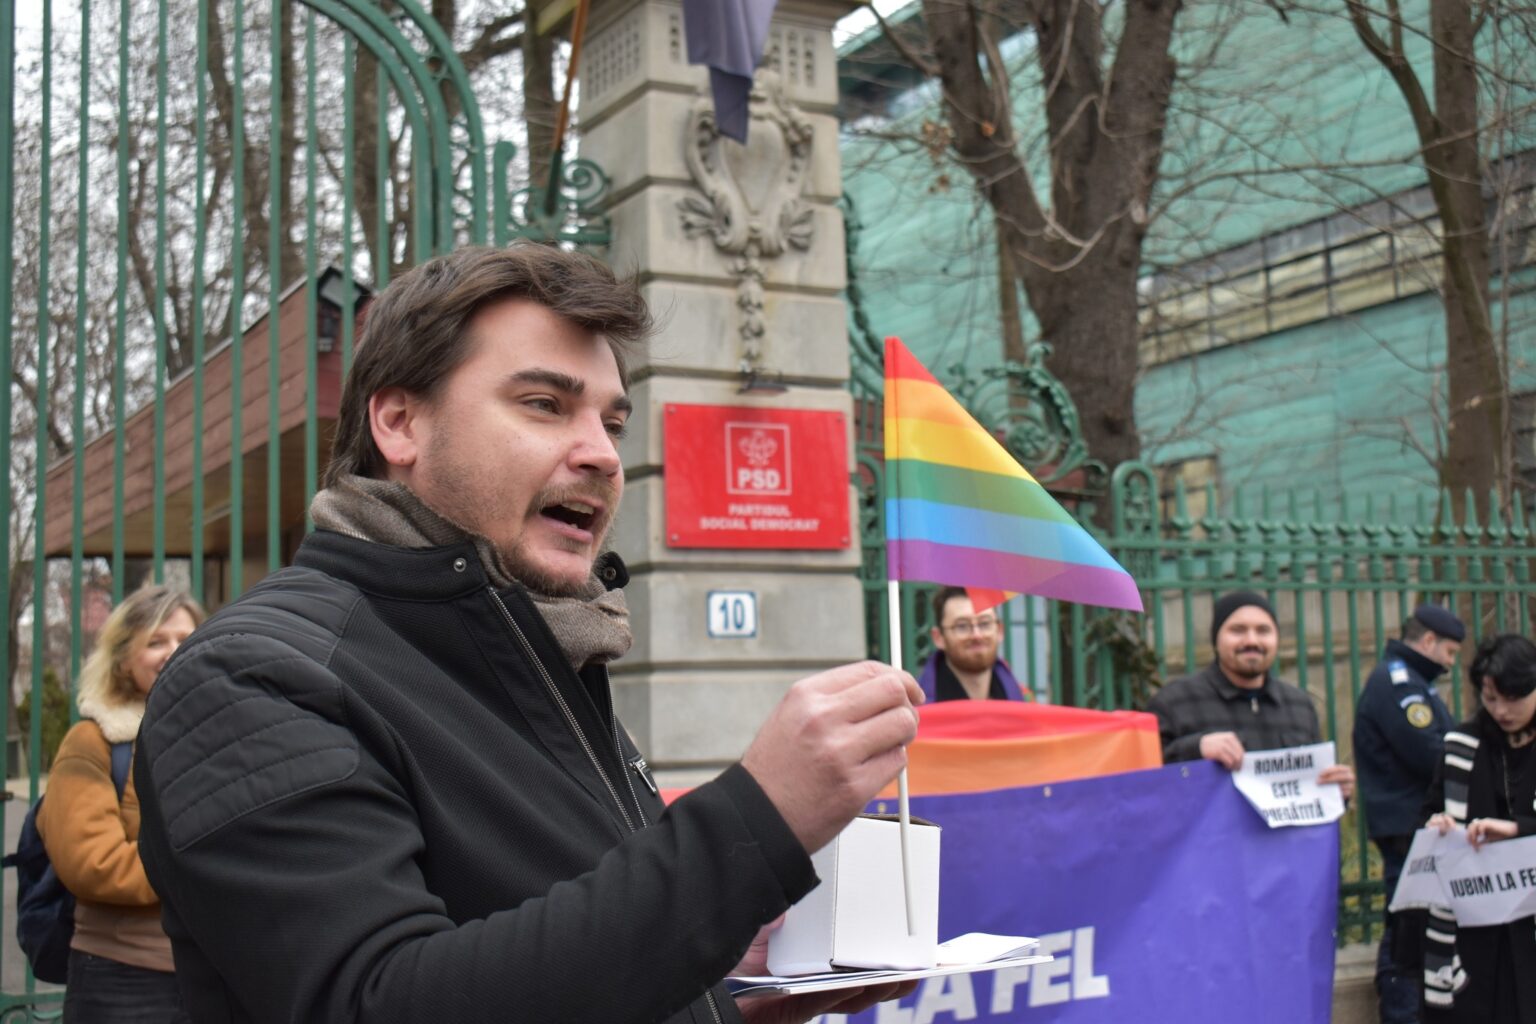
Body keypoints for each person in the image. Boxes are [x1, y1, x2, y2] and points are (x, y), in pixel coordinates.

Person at [132, 244, 923, 1024]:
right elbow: (381, 1002)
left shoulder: (543, 654)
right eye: (544, 404)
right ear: (400, 423)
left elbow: (555, 953)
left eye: (612, 422)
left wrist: (711, 992)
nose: (604, 456)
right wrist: (758, 822)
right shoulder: (250, 676)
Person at [37, 584, 203, 1024]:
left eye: (186, 639)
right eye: (155, 641)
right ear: (123, 659)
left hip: (217, 974)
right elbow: (93, 864)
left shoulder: (221, 732)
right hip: (124, 982)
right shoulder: (93, 741)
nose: (174, 651)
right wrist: (206, 868)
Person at [1353, 603, 1463, 1024]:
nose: (1451, 664)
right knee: (1406, 928)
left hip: (1417, 825)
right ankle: (1400, 1011)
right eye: (1449, 653)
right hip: (1407, 825)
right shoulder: (1398, 684)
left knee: (1415, 922)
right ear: (1429, 641)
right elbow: (1431, 753)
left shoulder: (1414, 681)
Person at [1421, 634, 1536, 1021]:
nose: (1501, 710)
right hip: (1476, 925)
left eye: (1513, 698)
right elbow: (1429, 812)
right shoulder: (1461, 745)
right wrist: (1439, 824)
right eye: (1490, 698)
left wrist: (1518, 830)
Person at [1147, 590, 1355, 798]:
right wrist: (1196, 749)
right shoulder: (1175, 702)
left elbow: (1312, 789)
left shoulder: (1300, 705)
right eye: (1238, 630)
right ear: (1216, 639)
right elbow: (1144, 783)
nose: (1252, 641)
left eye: (1263, 631)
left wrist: (1336, 791)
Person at [919, 587, 1028, 702]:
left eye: (985, 623)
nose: (977, 635)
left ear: (1000, 631)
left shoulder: (1024, 701)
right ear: (938, 638)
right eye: (962, 626)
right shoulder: (917, 706)